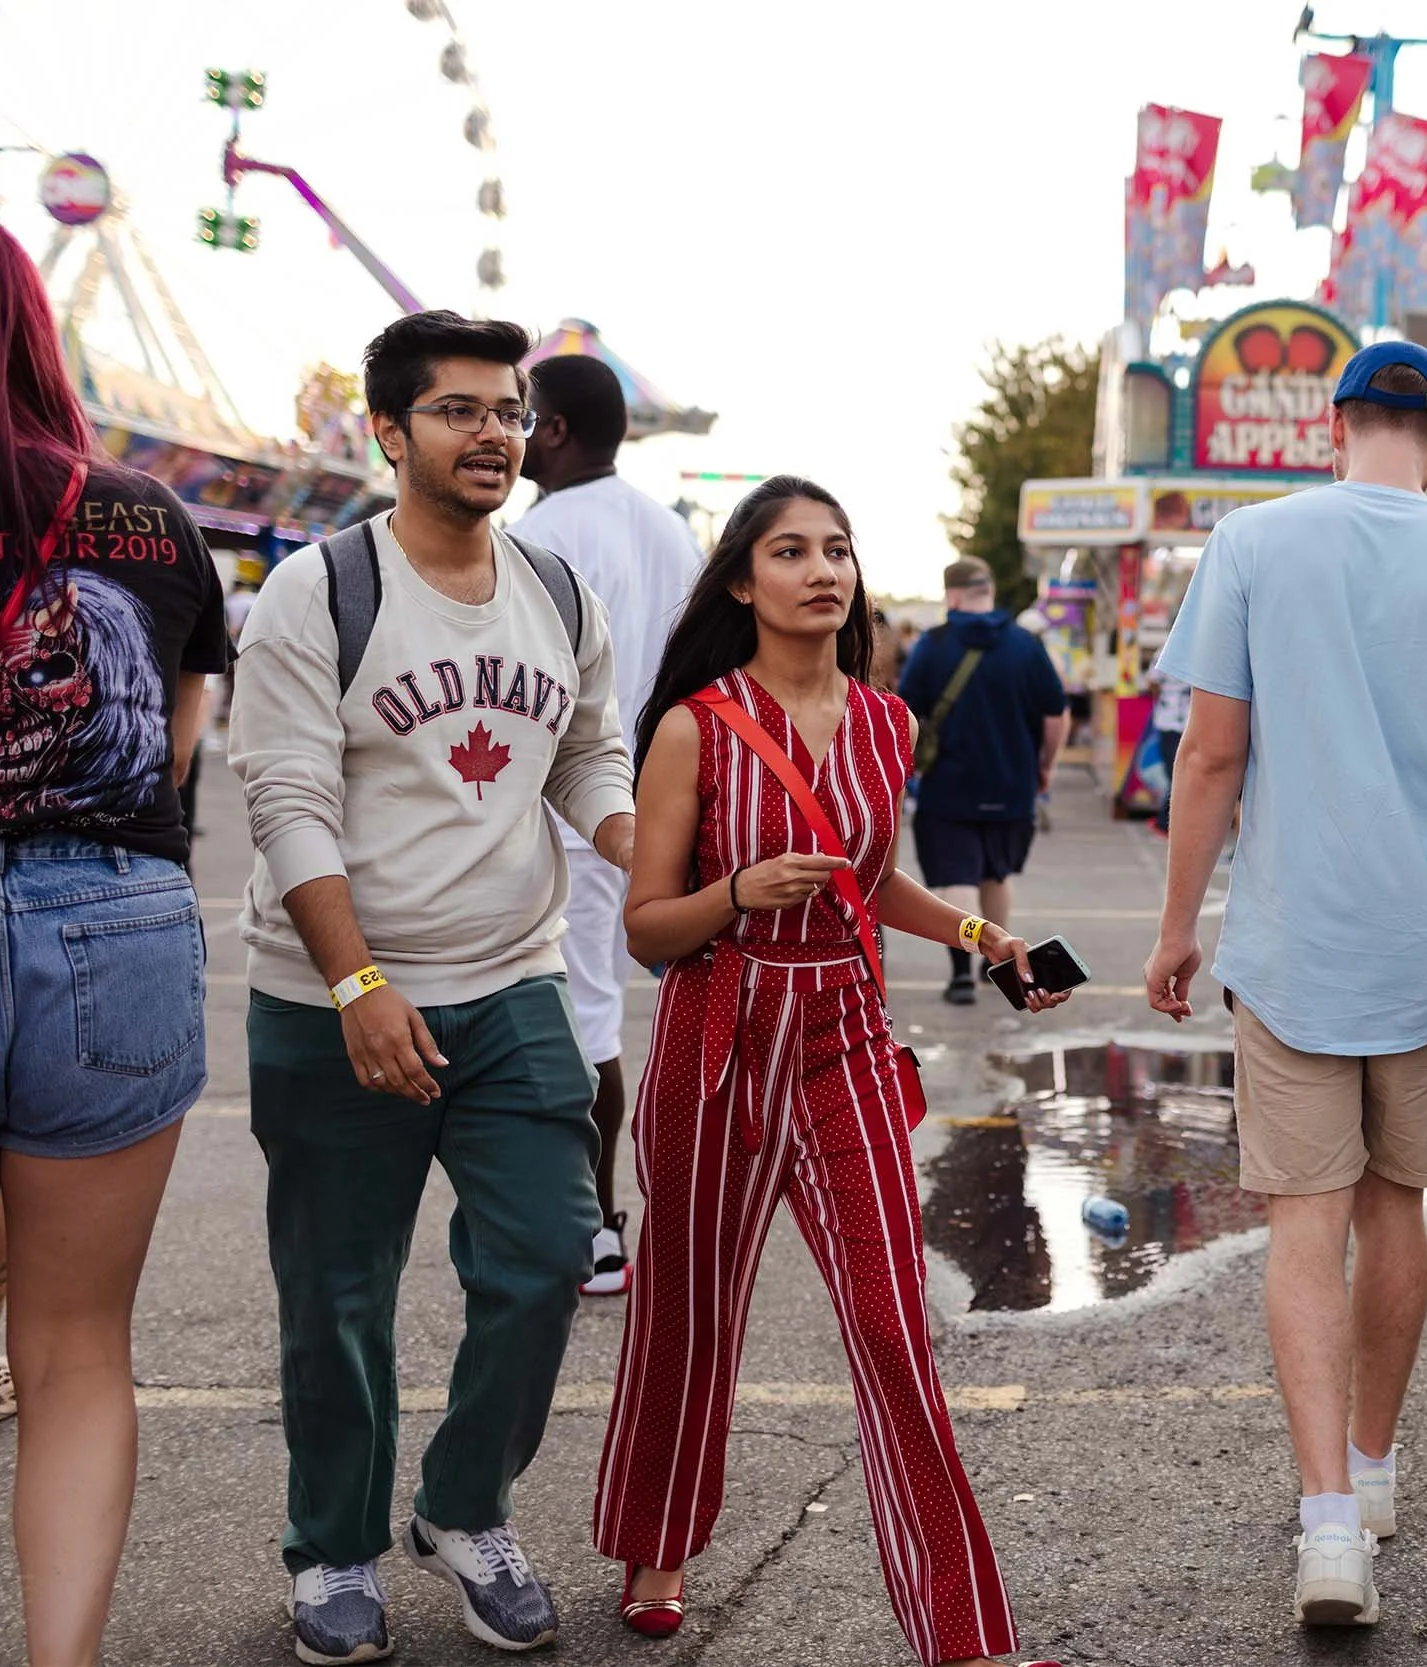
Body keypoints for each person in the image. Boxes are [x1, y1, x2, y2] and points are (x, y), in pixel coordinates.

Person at [593, 477, 1067, 1667]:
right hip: (716, 1031)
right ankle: (657, 1542)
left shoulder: (886, 723)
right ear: (741, 581)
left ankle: (963, 1635)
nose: (821, 570)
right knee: (688, 1310)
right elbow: (647, 923)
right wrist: (734, 890)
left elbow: (871, 877)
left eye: (838, 550)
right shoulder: (694, 726)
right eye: (791, 550)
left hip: (843, 1035)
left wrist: (981, 934)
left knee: (892, 1322)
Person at [230, 310, 635, 1662]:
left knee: (547, 1254)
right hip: (331, 997)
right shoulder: (319, 590)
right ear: (390, 433)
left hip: (510, 981)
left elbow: (587, 752)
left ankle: (464, 1506)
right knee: (338, 1294)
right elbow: (287, 797)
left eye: (508, 410)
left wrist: (638, 844)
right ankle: (334, 1547)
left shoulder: (558, 592)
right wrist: (356, 982)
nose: (493, 433)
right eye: (459, 410)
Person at [1142, 342, 1427, 1628]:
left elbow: (1210, 756)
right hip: (1419, 939)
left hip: (1291, 939)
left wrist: (1177, 927)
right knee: (1396, 1211)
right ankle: (1373, 1467)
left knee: (1302, 1224)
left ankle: (1327, 1524)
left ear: (1335, 426)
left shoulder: (1251, 542)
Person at [0, 209, 225, 1667]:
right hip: (116, 916)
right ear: (35, 329)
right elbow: (175, 751)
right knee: (80, 1354)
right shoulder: (148, 514)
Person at [514, 351, 701, 1300]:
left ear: (553, 430)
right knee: (617, 1007)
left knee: (581, 1014)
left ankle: (596, 1228)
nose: (509, 435)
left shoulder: (538, 533)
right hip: (661, 802)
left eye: (522, 417)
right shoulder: (671, 531)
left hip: (572, 807)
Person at [898, 557, 1068, 1005]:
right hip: (1013, 786)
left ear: (952, 595)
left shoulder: (933, 644)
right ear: (988, 590)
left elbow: (904, 714)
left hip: (948, 787)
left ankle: (961, 977)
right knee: (996, 874)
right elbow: (1055, 714)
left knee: (959, 878)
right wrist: (1046, 764)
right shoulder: (1025, 645)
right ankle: (1000, 964)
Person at [1149, 664, 1190, 836]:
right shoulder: (1163, 653)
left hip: (1184, 722)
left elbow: (1152, 682)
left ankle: (1166, 821)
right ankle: (1167, 821)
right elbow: (1153, 682)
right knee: (1176, 774)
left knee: (1178, 774)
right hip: (1174, 721)